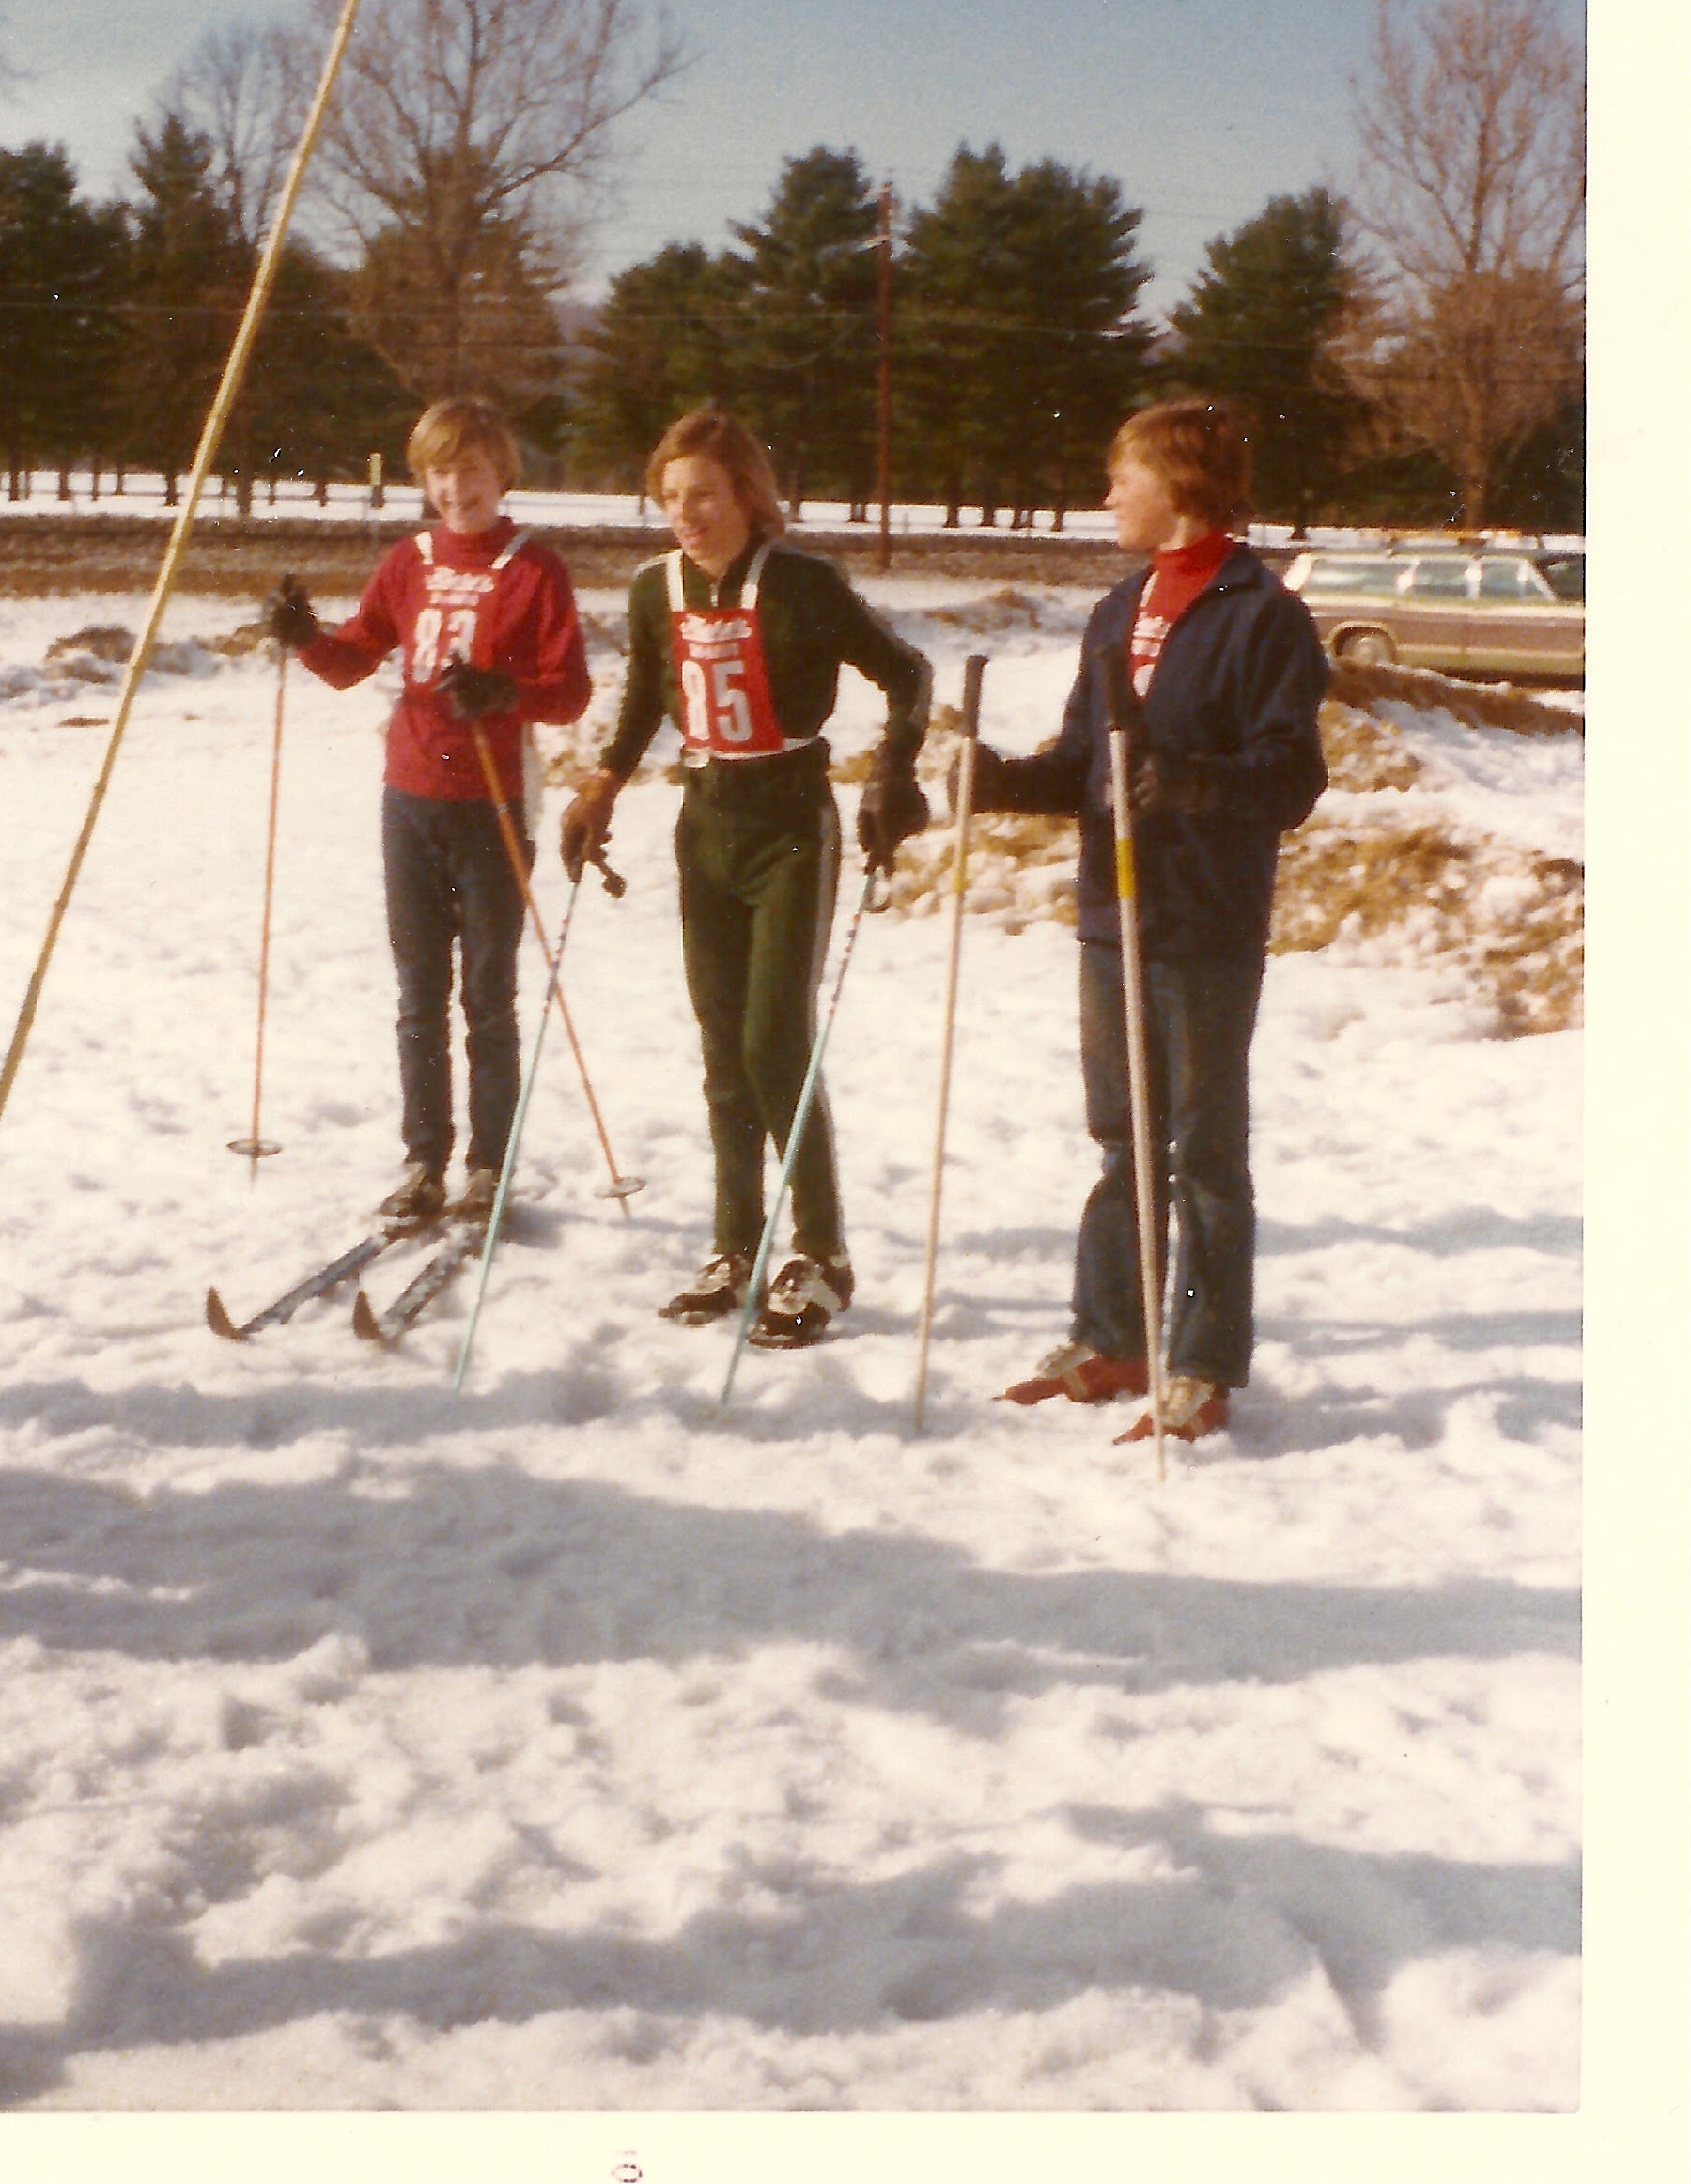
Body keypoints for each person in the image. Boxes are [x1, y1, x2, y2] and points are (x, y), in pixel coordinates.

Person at [967, 397, 1327, 1442]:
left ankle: (1202, 1360)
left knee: (1202, 1148)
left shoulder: (1262, 613)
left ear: (1179, 482)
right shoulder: (1120, 607)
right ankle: (1114, 1335)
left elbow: (1291, 777)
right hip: (1112, 910)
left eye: (1121, 475)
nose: (1106, 494)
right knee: (1122, 1139)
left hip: (1205, 919)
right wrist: (1001, 783)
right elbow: (1088, 762)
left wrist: (1194, 782)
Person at [559, 408, 932, 1348]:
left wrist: (893, 768)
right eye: (671, 497)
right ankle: (734, 1242)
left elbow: (906, 672)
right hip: (705, 823)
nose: (686, 514)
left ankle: (823, 1250)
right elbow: (645, 700)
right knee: (723, 1048)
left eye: (705, 495)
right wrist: (600, 788)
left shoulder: (802, 583)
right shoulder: (656, 588)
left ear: (747, 496)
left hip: (790, 824)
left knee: (774, 1039)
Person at [267, 397, 590, 1226]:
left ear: (501, 471)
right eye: (441, 471)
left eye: (472, 468)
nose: (456, 488)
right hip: (410, 798)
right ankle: (423, 1160)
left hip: (491, 802)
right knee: (418, 994)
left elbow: (568, 691)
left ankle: (487, 1167)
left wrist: (503, 691)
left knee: (486, 994)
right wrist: (303, 635)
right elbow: (352, 658)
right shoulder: (407, 560)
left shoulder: (533, 567)